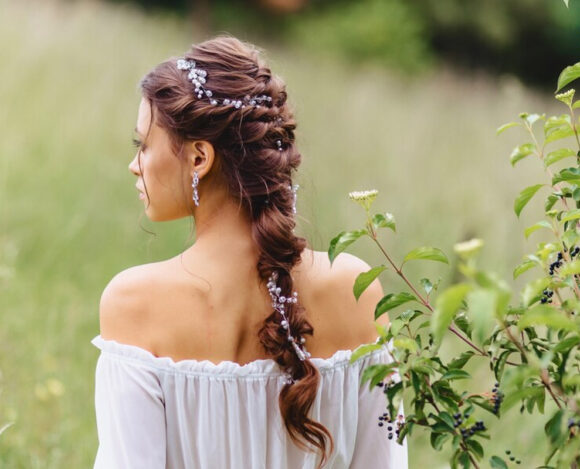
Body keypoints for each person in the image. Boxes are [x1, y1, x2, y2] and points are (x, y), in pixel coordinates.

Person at [91, 35, 408, 469]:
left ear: (199, 157)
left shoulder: (134, 304)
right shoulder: (354, 288)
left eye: (143, 145)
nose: (135, 163)